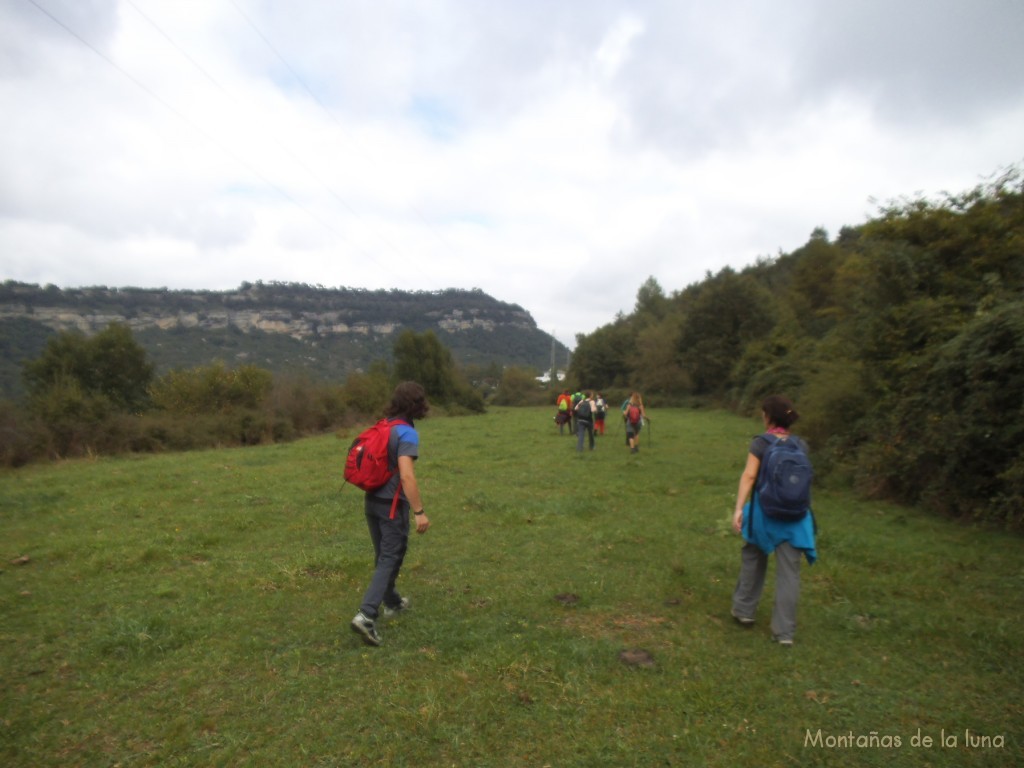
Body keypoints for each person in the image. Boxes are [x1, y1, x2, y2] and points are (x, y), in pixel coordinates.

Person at [730, 395, 817, 646]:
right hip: (796, 519)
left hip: (763, 515)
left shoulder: (761, 443)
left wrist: (738, 509)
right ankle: (784, 633)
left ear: (768, 417)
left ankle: (744, 611)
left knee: (753, 558)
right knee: (789, 573)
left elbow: (749, 476)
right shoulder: (801, 445)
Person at [351, 381, 431, 647]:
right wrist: (419, 511)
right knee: (389, 557)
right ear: (417, 405)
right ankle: (366, 615)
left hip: (371, 500)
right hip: (393, 506)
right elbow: (407, 476)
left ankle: (393, 602)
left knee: (384, 556)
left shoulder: (384, 426)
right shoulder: (406, 434)